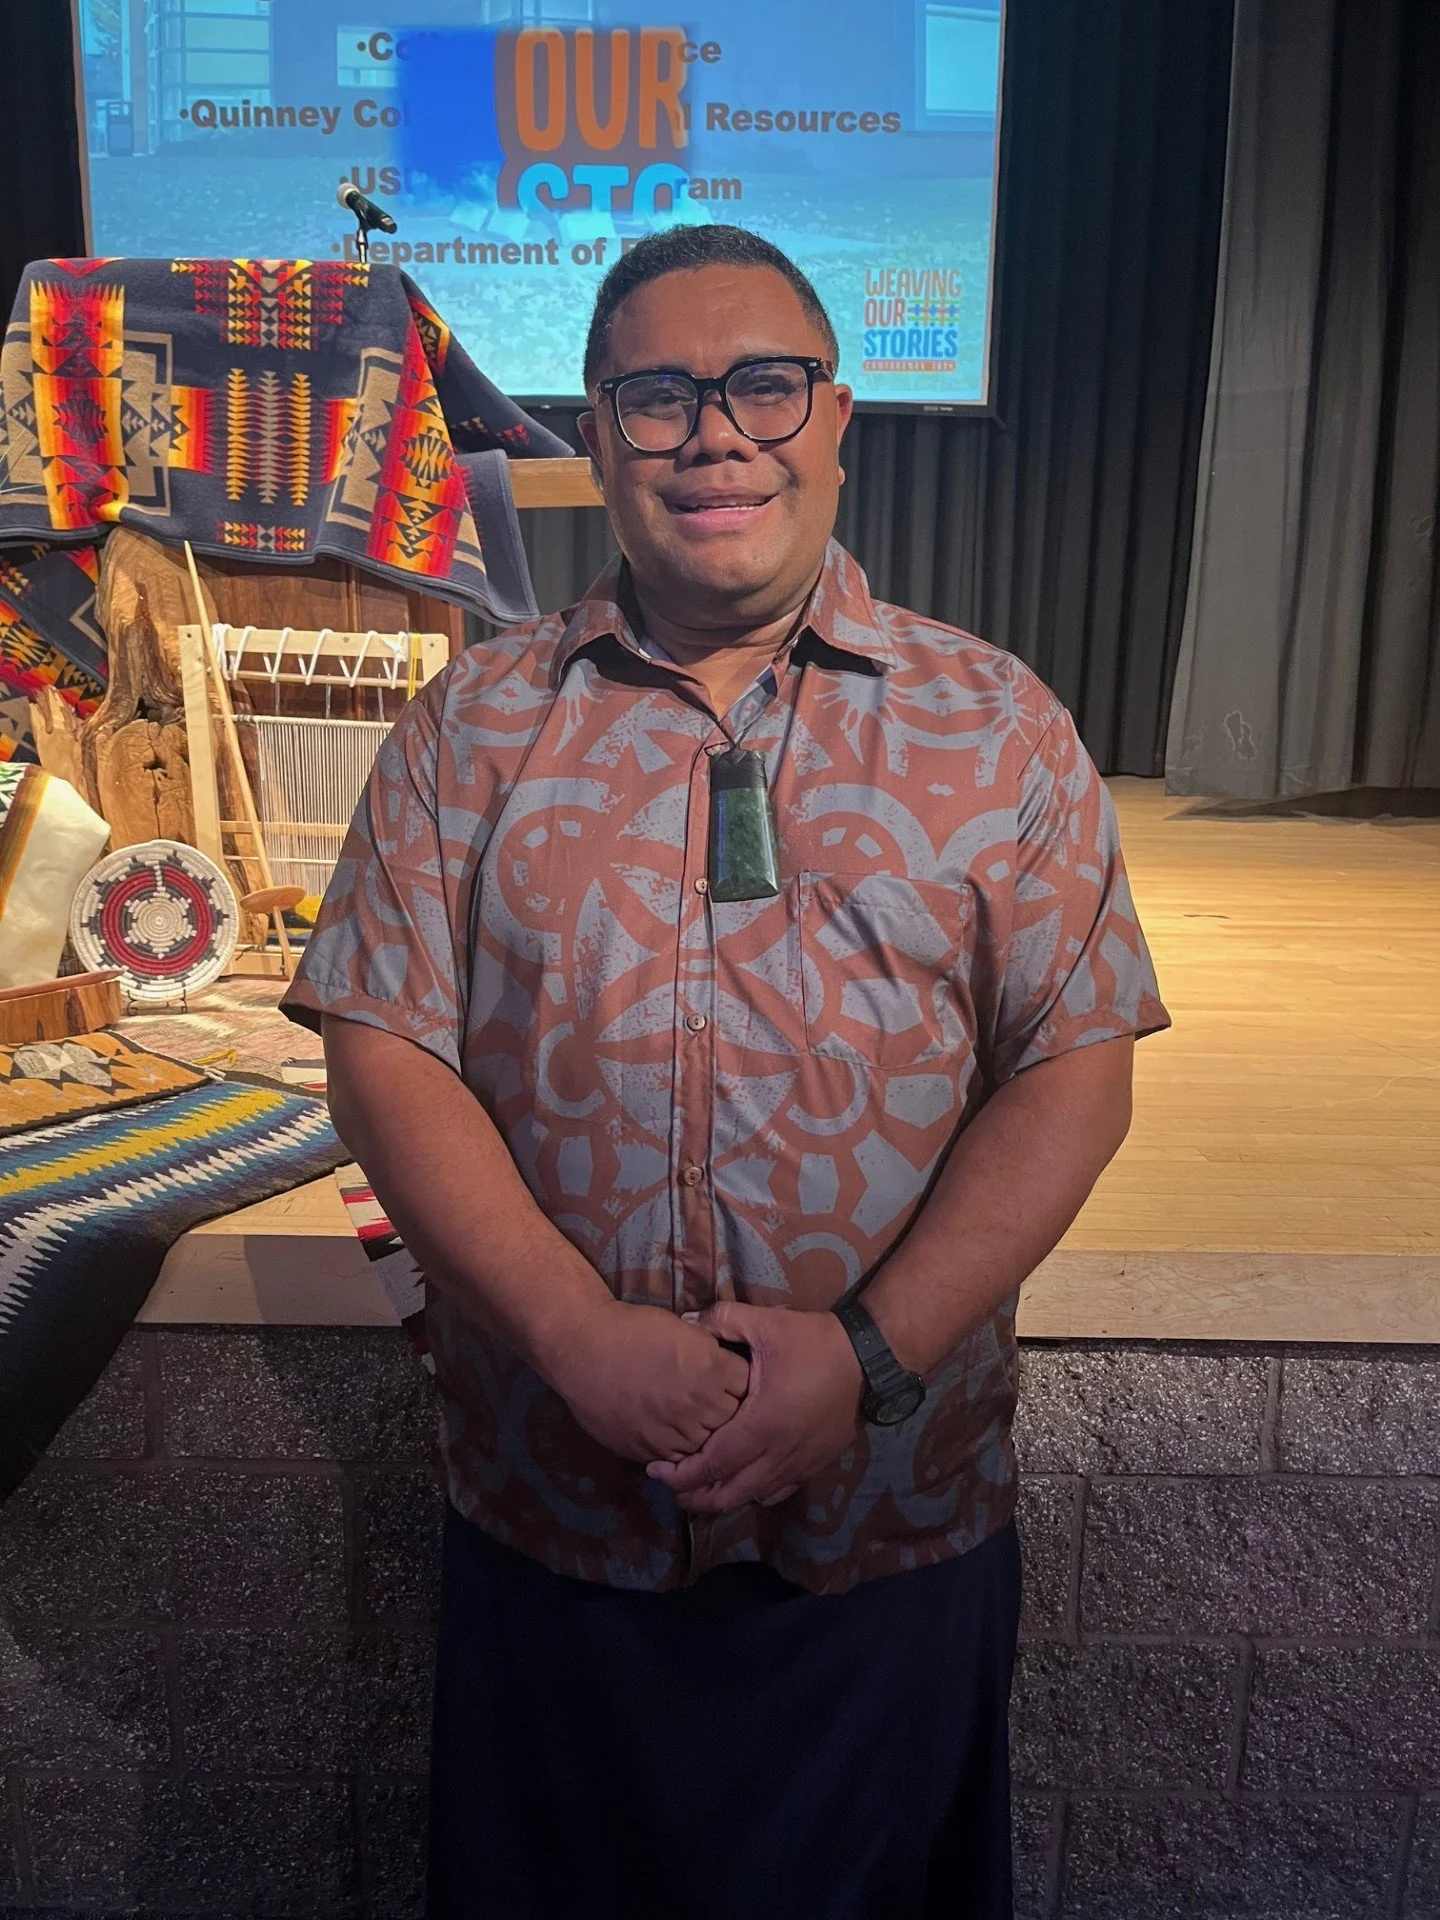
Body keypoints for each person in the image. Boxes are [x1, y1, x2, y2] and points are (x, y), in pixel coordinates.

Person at [282, 222, 1169, 1920]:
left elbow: (1073, 1070)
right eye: (658, 394)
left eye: (763, 385)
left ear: (837, 417)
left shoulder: (1000, 727)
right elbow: (385, 1047)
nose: (715, 434)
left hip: (886, 1529)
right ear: (598, 434)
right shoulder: (466, 729)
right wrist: (569, 1330)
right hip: (561, 1521)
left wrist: (866, 1364)